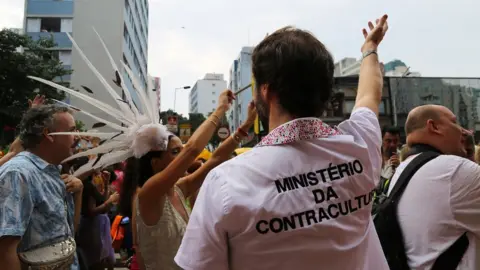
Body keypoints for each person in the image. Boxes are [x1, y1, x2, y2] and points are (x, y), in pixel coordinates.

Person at [175, 15, 389, 270]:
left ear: (266, 90)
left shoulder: (226, 182)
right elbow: (368, 95)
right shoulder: (359, 147)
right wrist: (370, 49)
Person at [117, 99, 257, 270]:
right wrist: (220, 109)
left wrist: (247, 125)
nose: (183, 157)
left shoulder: (179, 189)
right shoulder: (148, 194)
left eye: (182, 150)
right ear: (155, 163)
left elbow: (217, 158)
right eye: (175, 152)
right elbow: (192, 150)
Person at [387, 105, 480, 269]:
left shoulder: (403, 170)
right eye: (455, 122)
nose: (464, 132)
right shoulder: (455, 170)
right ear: (434, 126)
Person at [0, 105, 83, 270]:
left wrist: (79, 192)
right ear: (48, 134)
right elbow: (5, 250)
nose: (77, 137)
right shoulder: (19, 174)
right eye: (72, 130)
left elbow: (67, 235)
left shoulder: (53, 172)